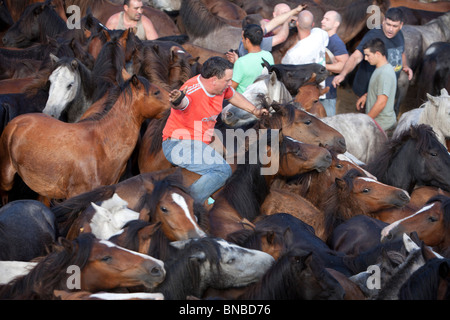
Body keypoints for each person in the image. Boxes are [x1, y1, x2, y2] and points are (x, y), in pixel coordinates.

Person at [162, 57, 268, 205]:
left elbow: (233, 95)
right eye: (227, 80)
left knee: (235, 161)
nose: (230, 84)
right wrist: (177, 100)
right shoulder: (191, 90)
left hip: (203, 141)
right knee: (222, 171)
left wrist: (254, 111)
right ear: (213, 80)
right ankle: (187, 203)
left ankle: (210, 199)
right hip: (178, 144)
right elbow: (182, 103)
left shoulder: (221, 88)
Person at [331, 8, 413, 115]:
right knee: (367, 118)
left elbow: (401, 51)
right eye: (388, 24)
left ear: (401, 25)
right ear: (383, 21)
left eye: (395, 26)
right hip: (367, 87)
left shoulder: (399, 35)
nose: (390, 30)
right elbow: (356, 56)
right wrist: (343, 74)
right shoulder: (373, 35)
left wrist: (405, 65)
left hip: (386, 87)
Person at [226, 4, 306, 63]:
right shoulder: (257, 43)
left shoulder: (248, 35)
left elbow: (275, 22)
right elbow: (282, 37)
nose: (266, 25)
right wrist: (286, 21)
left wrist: (295, 10)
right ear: (259, 28)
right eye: (264, 24)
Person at [356, 38, 397, 136]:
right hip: (377, 123)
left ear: (378, 54)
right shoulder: (381, 69)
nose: (365, 58)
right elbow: (380, 90)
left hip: (381, 127)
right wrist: (366, 96)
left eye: (368, 55)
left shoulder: (385, 74)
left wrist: (365, 121)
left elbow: (381, 103)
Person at [231, 24, 275, 93]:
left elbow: (231, 89)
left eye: (242, 38)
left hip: (244, 101)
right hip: (263, 100)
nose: (242, 41)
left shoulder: (240, 62)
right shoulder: (269, 55)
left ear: (247, 40)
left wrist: (237, 63)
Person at [320, 10, 349, 117]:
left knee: (328, 123)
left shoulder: (336, 42)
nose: (322, 21)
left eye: (327, 19)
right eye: (323, 18)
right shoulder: (322, 39)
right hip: (318, 91)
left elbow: (343, 66)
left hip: (328, 93)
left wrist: (322, 66)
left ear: (336, 24)